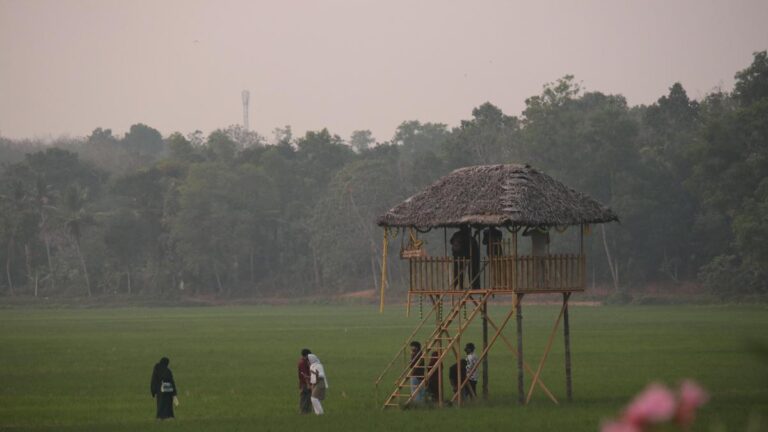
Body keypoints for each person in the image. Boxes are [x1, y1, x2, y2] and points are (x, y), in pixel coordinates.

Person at [450, 225, 480, 289]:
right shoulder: (466, 236)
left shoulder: (456, 234)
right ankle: (462, 285)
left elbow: (451, 241)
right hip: (462, 256)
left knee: (458, 271)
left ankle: (457, 285)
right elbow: (470, 244)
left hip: (456, 256)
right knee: (462, 271)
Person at [298, 348, 312, 414]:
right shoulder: (302, 363)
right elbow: (304, 375)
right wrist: (308, 385)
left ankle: (307, 412)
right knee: (304, 398)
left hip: (305, 383)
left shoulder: (304, 362)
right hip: (305, 384)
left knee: (308, 398)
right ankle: (303, 412)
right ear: (306, 355)